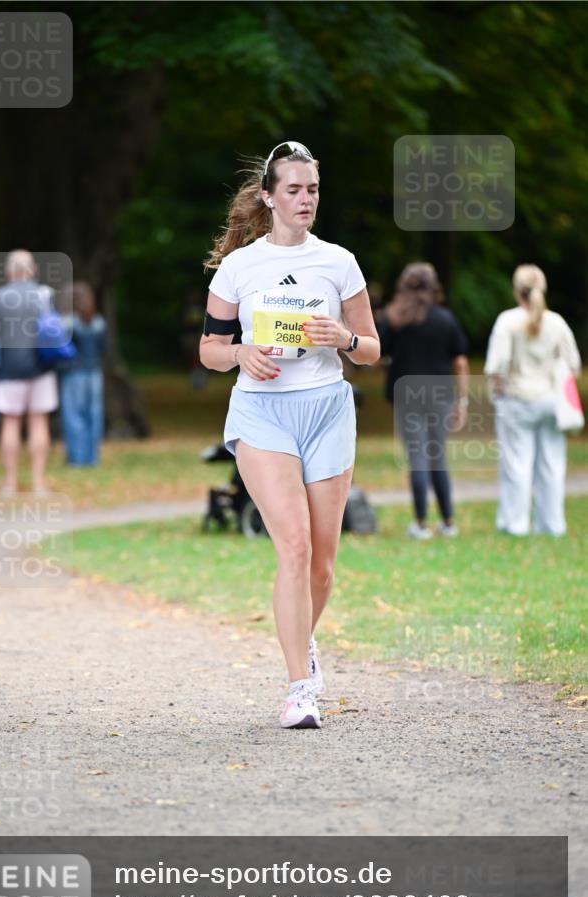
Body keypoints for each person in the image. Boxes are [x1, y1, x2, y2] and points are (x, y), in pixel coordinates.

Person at [200, 140, 380, 730]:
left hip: (328, 409)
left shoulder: (339, 262)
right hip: (262, 414)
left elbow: (373, 349)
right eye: (295, 190)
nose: (306, 200)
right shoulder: (239, 267)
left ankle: (303, 644)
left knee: (323, 564)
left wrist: (344, 341)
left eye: (313, 190)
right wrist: (242, 354)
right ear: (269, 197)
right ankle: (299, 688)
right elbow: (209, 349)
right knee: (294, 547)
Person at [484, 264, 582, 536]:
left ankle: (515, 524)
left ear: (517, 291)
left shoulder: (508, 321)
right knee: (551, 464)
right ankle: (551, 525)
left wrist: (499, 393)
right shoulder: (557, 322)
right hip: (551, 402)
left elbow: (495, 366)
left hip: (517, 400)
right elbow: (573, 364)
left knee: (517, 465)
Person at [377, 262, 469, 539]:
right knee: (437, 456)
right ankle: (448, 521)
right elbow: (461, 362)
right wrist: (462, 401)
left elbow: (377, 355)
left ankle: (420, 523)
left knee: (417, 457)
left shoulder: (393, 320)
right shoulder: (445, 319)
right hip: (440, 394)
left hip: (407, 395)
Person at [0, 250, 58, 495]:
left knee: (10, 424)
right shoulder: (44, 295)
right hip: (41, 369)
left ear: (9, 271)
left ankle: (10, 483)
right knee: (39, 423)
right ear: (32, 270)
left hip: (9, 370)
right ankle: (38, 483)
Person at [58, 282, 106, 466]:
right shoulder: (99, 322)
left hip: (73, 374)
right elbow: (103, 349)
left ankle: (76, 459)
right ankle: (92, 457)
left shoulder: (66, 322)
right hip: (94, 373)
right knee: (93, 415)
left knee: (73, 415)